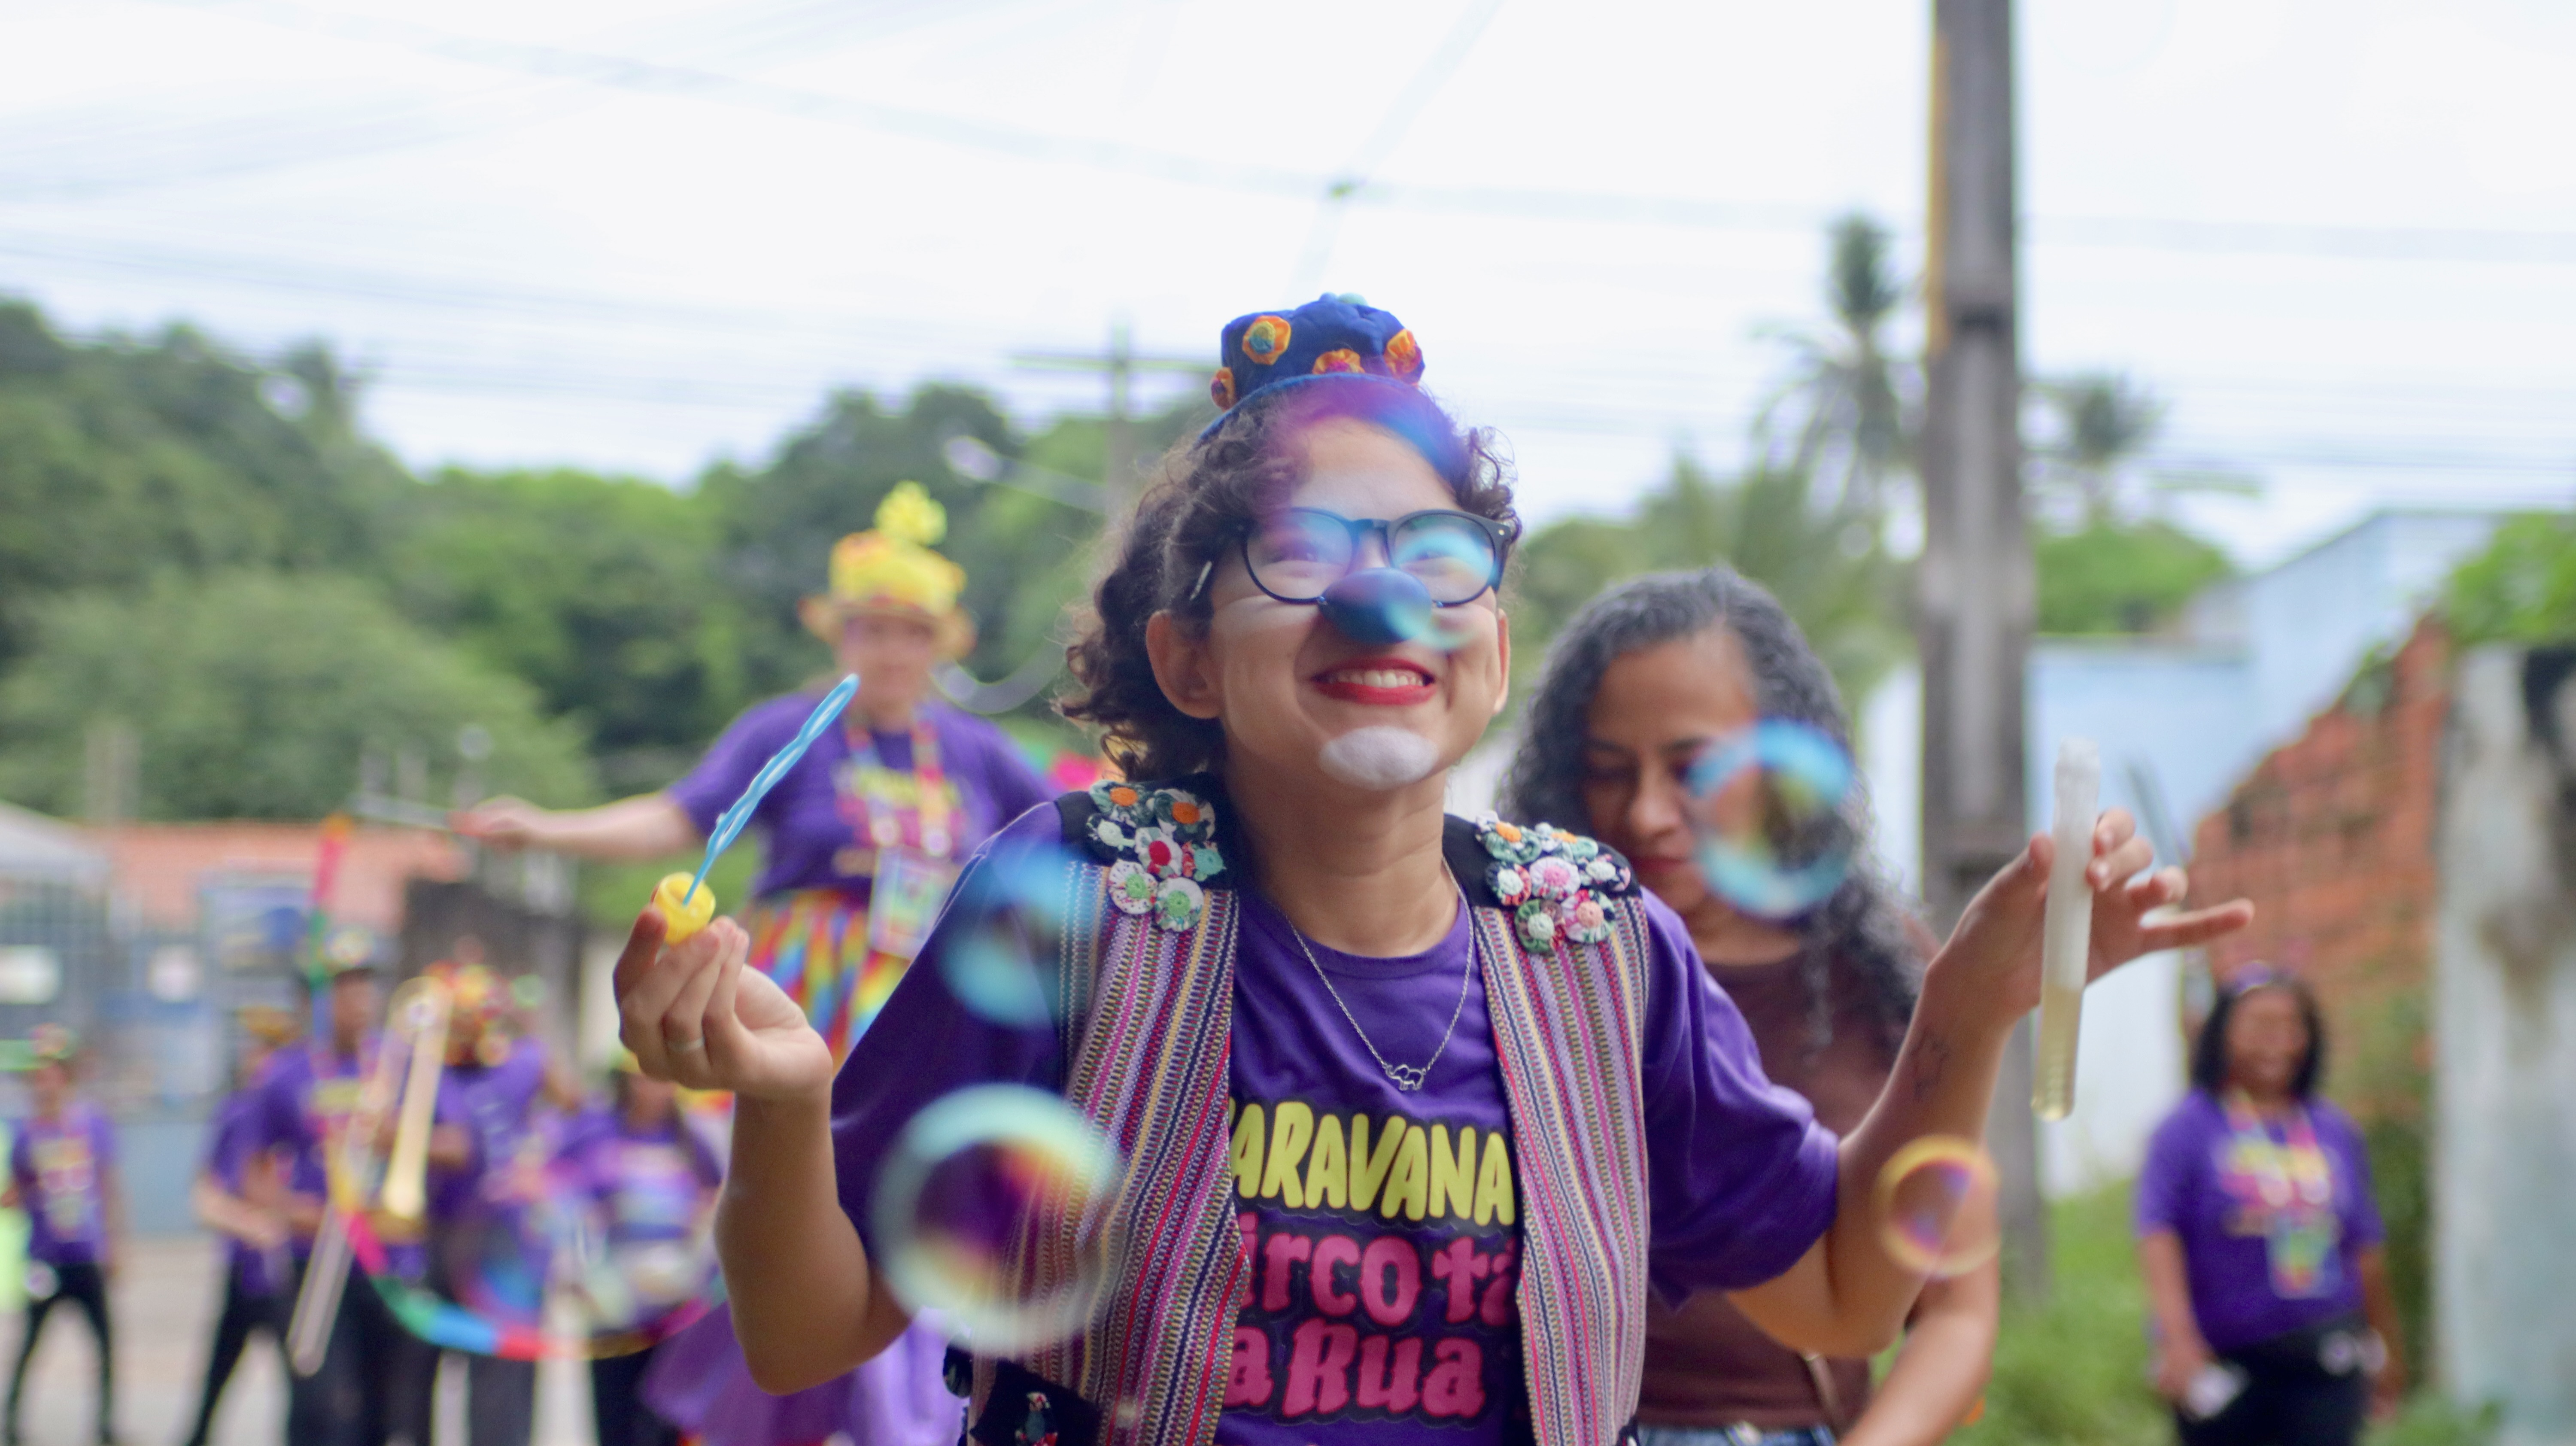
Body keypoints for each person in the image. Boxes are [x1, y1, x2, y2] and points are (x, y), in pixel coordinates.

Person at [616, 294, 2251, 1446]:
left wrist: (1965, 1005)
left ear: (1489, 639)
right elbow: (808, 1331)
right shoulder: (1076, 908)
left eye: (1435, 557)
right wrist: (779, 1100)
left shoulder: (1596, 947)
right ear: (1185, 658)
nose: (1382, 603)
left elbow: (1836, 1294)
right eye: (1309, 555)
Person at [456, 481, 1049, 1446]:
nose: (889, 649)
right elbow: (679, 816)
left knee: (919, 1220)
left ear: (942, 642)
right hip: (801, 1017)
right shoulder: (790, 732)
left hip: (923, 1013)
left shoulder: (982, 753)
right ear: (837, 636)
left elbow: (1069, 839)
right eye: (869, 628)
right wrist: (547, 831)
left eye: (909, 630)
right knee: (783, 1218)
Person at [1500, 567, 1999, 1446]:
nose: (1648, 812)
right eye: (1608, 771)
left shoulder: (1886, 975)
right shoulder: (1517, 959)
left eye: (1692, 767)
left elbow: (1956, 1311)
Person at [2137, 969, 2406, 1446]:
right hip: (2225, 1361)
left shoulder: (2332, 1128)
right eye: (2260, 1025)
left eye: (2291, 1025)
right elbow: (2158, 1232)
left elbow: (2364, 1241)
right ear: (2222, 1032)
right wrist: (2176, 1338)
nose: (2277, 1042)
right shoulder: (2187, 1129)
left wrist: (2386, 1343)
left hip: (2324, 1357)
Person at [253, 956, 446, 1446]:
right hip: (315, 1257)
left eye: (365, 986)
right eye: (342, 989)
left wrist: (398, 1133)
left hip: (387, 1260)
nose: (357, 1000)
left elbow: (458, 1142)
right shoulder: (284, 1073)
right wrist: (286, 1208)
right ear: (312, 1001)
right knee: (319, 1405)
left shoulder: (400, 1064)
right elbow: (252, 1164)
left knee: (388, 1410)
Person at [419, 960, 580, 1446]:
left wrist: (543, 1154)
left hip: (508, 1240)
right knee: (418, 1376)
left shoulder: (524, 1060)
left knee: (504, 1384)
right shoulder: (429, 1068)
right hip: (441, 1234)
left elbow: (574, 1103)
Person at [559, 1054, 721, 1446]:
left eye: (664, 1078)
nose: (654, 1088)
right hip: (612, 1303)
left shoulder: (693, 1140)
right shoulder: (596, 1134)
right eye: (644, 1078)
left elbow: (718, 1200)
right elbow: (563, 1201)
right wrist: (575, 1271)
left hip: (672, 1308)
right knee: (615, 1420)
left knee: (663, 1423)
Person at [181, 1006, 303, 1446]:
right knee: (217, 1376)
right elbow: (206, 1195)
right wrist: (251, 1223)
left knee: (303, 1383)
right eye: (259, 1050)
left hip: (291, 1270)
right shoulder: (236, 1114)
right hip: (246, 1269)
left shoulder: (305, 1111)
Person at [3, 1026, 122, 1446]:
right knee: (31, 1343)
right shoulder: (27, 1133)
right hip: (45, 1257)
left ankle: (106, 1424)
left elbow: (109, 1186)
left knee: (106, 1344)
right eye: (38, 1073)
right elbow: (17, 1189)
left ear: (66, 1075)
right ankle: (12, 1424)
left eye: (51, 1071)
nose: (44, 1080)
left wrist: (116, 1244)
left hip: (85, 1253)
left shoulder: (90, 1124)